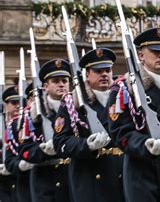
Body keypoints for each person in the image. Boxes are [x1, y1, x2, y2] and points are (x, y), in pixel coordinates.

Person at [107, 27, 160, 201]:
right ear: (141, 56)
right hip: (143, 174)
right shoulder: (125, 90)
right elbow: (120, 133)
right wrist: (144, 143)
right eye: (155, 51)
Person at [53, 48, 125, 202]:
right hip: (90, 178)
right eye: (98, 71)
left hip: (122, 175)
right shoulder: (72, 103)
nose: (104, 74)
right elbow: (60, 142)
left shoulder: (124, 96)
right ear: (87, 75)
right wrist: (86, 145)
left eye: (107, 70)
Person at [20, 59, 71, 201]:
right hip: (47, 182)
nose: (61, 84)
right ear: (46, 86)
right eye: (56, 81)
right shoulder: (32, 114)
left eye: (65, 80)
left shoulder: (77, 109)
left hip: (74, 178)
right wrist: (42, 150)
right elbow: (24, 151)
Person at [3, 85, 32, 202]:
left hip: (27, 178)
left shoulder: (25, 122)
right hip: (6, 184)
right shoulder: (4, 125)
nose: (17, 106)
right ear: (6, 105)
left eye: (20, 102)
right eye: (13, 102)